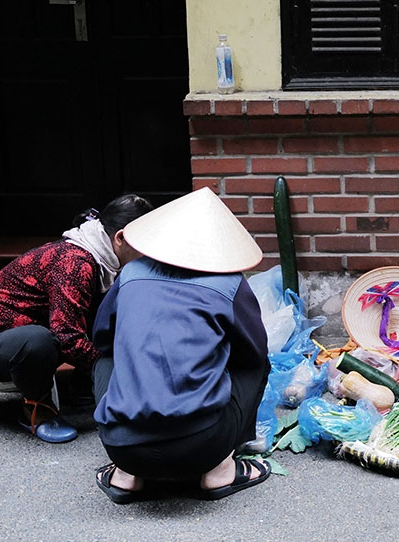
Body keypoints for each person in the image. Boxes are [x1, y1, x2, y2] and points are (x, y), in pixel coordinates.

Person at [91, 187, 271, 504]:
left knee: (104, 361)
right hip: (201, 445)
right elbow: (253, 352)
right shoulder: (229, 282)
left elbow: (103, 337)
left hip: (124, 447)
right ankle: (220, 469)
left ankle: (126, 476)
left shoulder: (131, 273)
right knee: (257, 366)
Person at [0, 194, 154, 443]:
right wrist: (115, 372)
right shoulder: (76, 262)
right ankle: (38, 411)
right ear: (120, 239)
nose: (149, 252)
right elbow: (66, 335)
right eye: (146, 244)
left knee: (110, 312)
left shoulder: (99, 260)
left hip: (35, 333)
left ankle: (82, 389)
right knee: (38, 339)